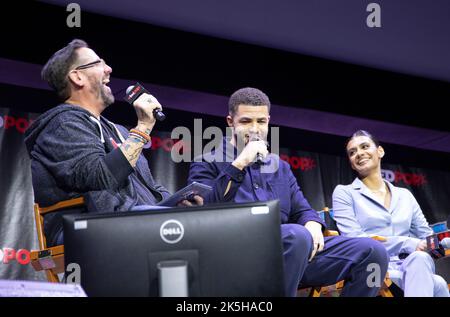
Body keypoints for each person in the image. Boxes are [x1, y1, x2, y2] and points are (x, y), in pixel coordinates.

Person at [188, 87, 389, 297]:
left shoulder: (280, 167)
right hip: (236, 260)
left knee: (373, 252)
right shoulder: (206, 162)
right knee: (297, 235)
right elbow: (206, 212)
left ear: (268, 121)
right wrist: (240, 162)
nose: (255, 129)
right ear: (230, 122)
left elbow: (303, 210)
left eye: (261, 122)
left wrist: (312, 225)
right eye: (246, 122)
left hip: (291, 258)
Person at [24, 39, 201, 247]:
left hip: (128, 217)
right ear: (77, 76)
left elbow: (149, 187)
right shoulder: (62, 123)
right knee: (187, 228)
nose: (109, 69)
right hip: (83, 225)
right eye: (98, 63)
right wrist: (143, 127)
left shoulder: (119, 131)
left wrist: (177, 202)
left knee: (199, 221)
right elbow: (100, 178)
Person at [332, 130, 449, 297]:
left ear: (380, 151)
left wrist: (445, 242)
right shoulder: (345, 193)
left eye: (364, 146)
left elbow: (426, 236)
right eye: (352, 152)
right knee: (437, 283)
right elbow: (355, 239)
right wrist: (409, 243)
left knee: (422, 262)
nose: (359, 153)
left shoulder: (405, 195)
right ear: (351, 163)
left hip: (412, 268)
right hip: (373, 270)